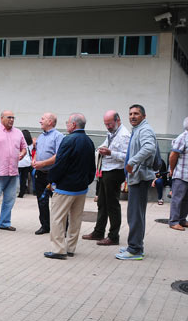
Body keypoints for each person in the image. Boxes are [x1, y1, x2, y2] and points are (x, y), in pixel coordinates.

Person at [43, 113, 96, 259]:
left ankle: (58, 250)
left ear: (73, 125)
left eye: (67, 123)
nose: (66, 125)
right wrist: (86, 181)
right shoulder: (89, 141)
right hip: (81, 188)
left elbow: (60, 164)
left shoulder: (68, 140)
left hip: (65, 187)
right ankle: (71, 247)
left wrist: (52, 180)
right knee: (75, 219)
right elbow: (92, 167)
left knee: (57, 218)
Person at [82, 110, 130, 246]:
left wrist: (110, 152)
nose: (108, 126)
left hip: (115, 172)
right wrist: (102, 149)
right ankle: (98, 231)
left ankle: (113, 236)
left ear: (118, 120)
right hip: (106, 170)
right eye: (106, 124)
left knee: (112, 205)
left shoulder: (124, 135)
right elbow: (105, 144)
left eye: (110, 124)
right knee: (102, 203)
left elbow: (127, 157)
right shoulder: (112, 132)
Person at [117, 104, 157, 260]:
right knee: (135, 213)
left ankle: (135, 250)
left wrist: (132, 162)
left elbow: (149, 148)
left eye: (136, 114)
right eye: (130, 114)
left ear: (144, 116)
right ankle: (134, 245)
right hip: (137, 177)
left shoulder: (145, 130)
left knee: (135, 214)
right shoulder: (138, 129)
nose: (132, 116)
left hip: (140, 177)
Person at [167, 116, 188, 231]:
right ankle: (173, 221)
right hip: (182, 175)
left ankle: (182, 219)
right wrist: (172, 170)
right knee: (177, 199)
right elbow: (173, 155)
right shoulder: (182, 138)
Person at [32, 112, 64, 235]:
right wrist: (34, 160)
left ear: (50, 122)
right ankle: (45, 226)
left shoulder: (58, 136)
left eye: (42, 119)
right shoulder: (41, 137)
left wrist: (43, 163)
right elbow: (37, 152)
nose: (40, 121)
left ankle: (61, 228)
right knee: (42, 201)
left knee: (58, 203)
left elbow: (59, 156)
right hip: (40, 174)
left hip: (52, 174)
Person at [18, 129, 33, 198]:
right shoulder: (31, 143)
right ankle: (22, 192)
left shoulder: (20, 142)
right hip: (27, 163)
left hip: (19, 162)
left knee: (15, 178)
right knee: (24, 178)